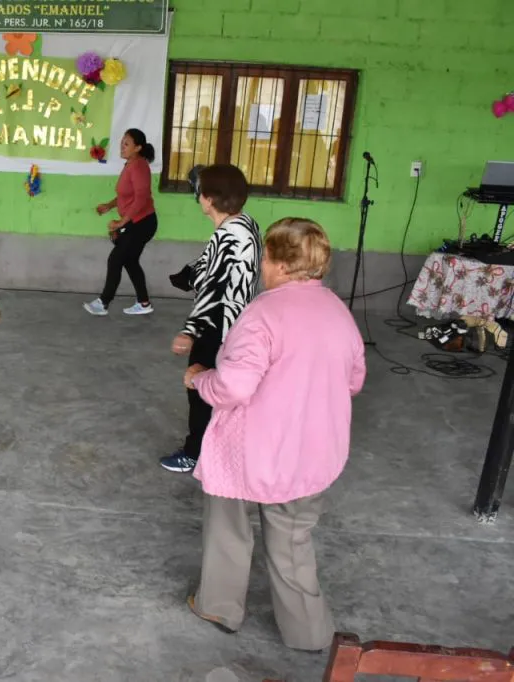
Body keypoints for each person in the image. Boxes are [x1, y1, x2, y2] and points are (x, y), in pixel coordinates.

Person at [184, 218, 365, 651]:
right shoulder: (339, 313)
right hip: (314, 453)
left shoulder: (262, 313)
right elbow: (354, 380)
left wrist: (199, 378)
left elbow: (234, 388)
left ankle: (219, 606)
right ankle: (309, 633)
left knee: (228, 527)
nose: (262, 263)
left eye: (265, 255)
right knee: (293, 542)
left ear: (281, 263)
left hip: (252, 452)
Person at [160, 164, 261, 474]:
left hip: (218, 326)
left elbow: (215, 291)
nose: (197, 195)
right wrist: (191, 275)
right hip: (235, 323)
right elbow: (213, 268)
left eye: (200, 190)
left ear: (209, 198)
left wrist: (190, 331)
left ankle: (196, 452)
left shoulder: (230, 234)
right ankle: (218, 447)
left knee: (201, 385)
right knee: (218, 386)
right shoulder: (243, 223)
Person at [83, 128, 158, 317]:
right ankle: (144, 302)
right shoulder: (130, 164)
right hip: (136, 222)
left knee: (116, 259)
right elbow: (126, 195)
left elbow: (141, 198)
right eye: (122, 142)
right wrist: (109, 206)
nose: (122, 146)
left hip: (142, 223)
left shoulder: (139, 166)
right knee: (130, 261)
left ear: (138, 148)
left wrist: (121, 222)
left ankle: (103, 303)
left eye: (126, 144)